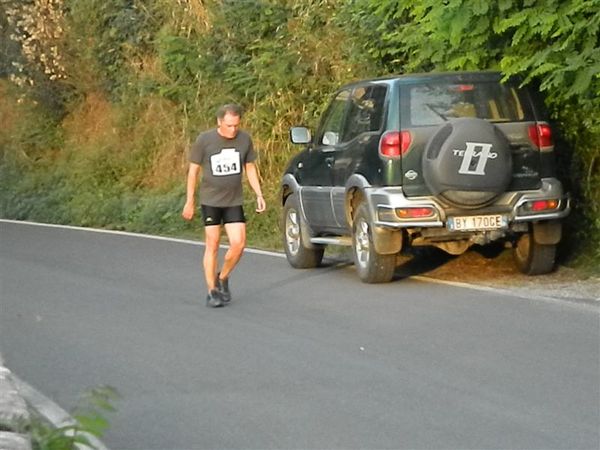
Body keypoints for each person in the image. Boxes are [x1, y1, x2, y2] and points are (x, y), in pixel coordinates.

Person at [182, 104, 266, 307]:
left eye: (236, 125)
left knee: (238, 244)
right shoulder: (205, 140)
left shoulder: (244, 139)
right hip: (210, 200)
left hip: (233, 200)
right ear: (219, 122)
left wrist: (259, 194)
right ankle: (212, 291)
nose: (233, 130)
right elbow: (193, 171)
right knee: (212, 244)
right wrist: (190, 201)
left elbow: (250, 167)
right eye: (229, 126)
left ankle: (223, 276)